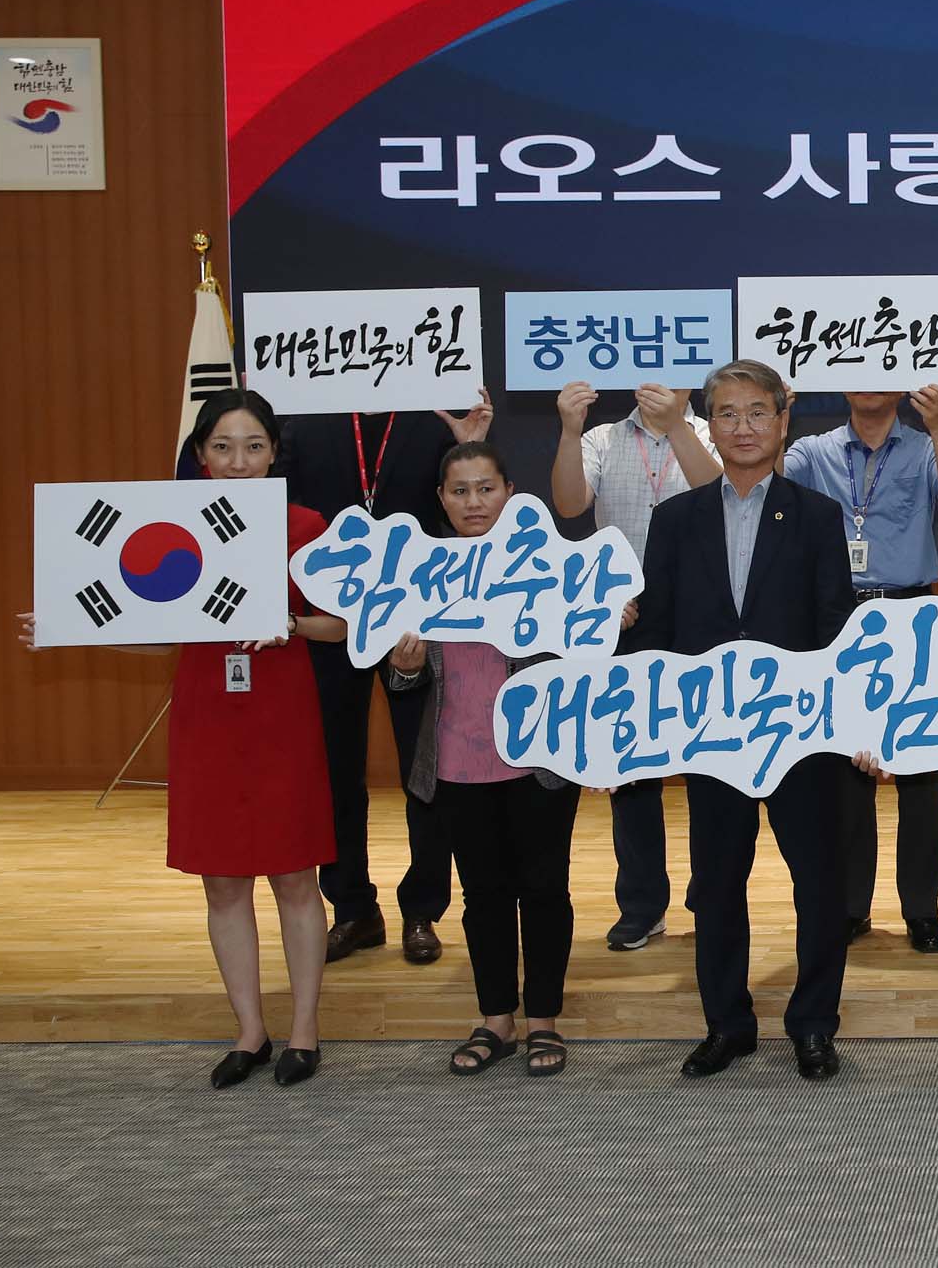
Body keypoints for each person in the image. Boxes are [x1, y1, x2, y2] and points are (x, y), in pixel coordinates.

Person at [20, 389, 339, 1088]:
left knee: (294, 875)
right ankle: (249, 1031)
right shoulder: (169, 522)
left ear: (274, 454)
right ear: (200, 455)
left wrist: (291, 622)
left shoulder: (306, 526)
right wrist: (66, 628)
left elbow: (343, 625)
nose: (238, 461)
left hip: (281, 714)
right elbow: (157, 631)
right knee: (221, 879)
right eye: (222, 447)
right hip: (206, 714)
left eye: (253, 446)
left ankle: (304, 1030)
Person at [627, 360, 859, 1081]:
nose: (744, 427)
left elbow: (835, 627)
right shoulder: (676, 519)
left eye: (758, 411)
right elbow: (656, 632)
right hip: (711, 734)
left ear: (783, 420)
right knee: (718, 884)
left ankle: (814, 1025)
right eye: (727, 413)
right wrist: (635, 718)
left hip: (800, 734)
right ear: (710, 426)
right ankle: (726, 1023)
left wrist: (850, 723)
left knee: (818, 884)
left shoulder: (816, 515)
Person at [383, 443, 580, 1078]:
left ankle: (544, 1018)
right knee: (483, 895)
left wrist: (607, 619)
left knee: (545, 890)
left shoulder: (551, 564)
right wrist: (404, 667)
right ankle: (497, 1018)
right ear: (442, 499)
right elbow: (403, 679)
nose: (474, 502)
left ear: (510, 492)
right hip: (457, 760)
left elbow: (585, 653)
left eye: (486, 488)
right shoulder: (418, 571)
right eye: (460, 491)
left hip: (540, 757)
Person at [279, 387, 492, 965]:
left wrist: (466, 445)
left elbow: (467, 514)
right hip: (329, 617)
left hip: (415, 618)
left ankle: (422, 910)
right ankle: (352, 909)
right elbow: (267, 502)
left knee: (425, 770)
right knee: (335, 771)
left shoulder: (432, 416)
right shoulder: (304, 419)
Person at [778, 385, 938, 952]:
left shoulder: (922, 446)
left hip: (910, 614)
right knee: (844, 774)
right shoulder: (814, 450)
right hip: (837, 617)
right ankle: (849, 907)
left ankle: (922, 910)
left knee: (920, 770)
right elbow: (771, 484)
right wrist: (779, 417)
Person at [549, 379, 720, 952]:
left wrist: (676, 426)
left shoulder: (710, 432)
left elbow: (721, 493)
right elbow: (569, 505)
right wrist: (569, 430)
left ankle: (712, 896)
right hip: (623, 616)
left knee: (708, 763)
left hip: (700, 614)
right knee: (631, 767)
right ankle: (643, 905)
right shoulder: (601, 437)